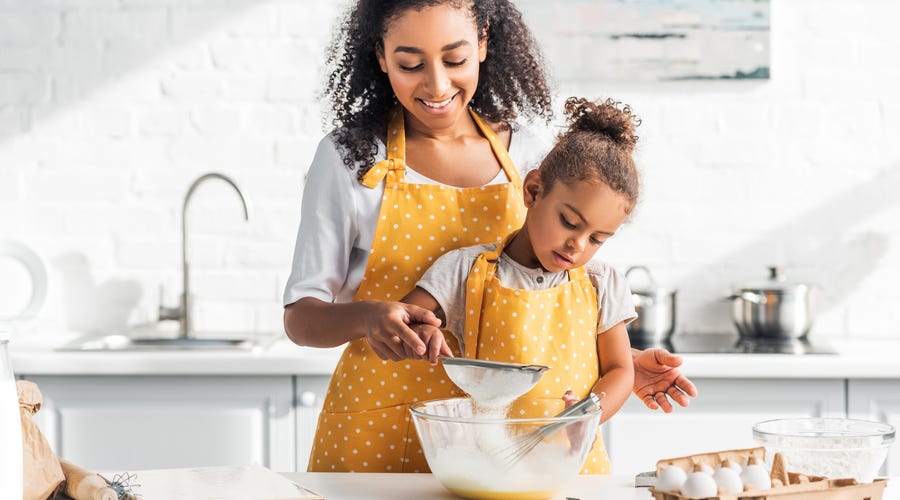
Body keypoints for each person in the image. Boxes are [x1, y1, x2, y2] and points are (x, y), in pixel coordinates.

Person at [283, 0, 697, 473]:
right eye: (410, 63)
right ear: (380, 56)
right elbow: (301, 319)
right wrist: (368, 317)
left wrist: (615, 364)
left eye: (455, 60)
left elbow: (539, 302)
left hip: (502, 445)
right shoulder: (350, 159)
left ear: (482, 43)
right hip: (379, 434)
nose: (437, 85)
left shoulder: (526, 153)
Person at [401, 96, 641, 473]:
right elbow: (404, 319)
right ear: (533, 191)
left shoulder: (602, 283)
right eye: (569, 222)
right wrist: (419, 333)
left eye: (597, 239)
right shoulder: (467, 270)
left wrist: (586, 415)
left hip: (574, 466)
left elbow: (621, 370)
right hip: (491, 465)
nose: (578, 245)